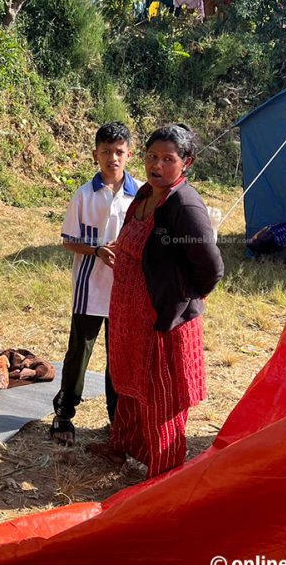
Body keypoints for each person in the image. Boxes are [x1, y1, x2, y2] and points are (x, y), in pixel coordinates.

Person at [88, 124, 223, 478]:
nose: (156, 165)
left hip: (161, 320)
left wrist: (182, 301)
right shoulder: (146, 194)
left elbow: (211, 268)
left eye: (168, 159)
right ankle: (122, 448)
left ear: (186, 163)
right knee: (130, 386)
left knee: (161, 398)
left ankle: (163, 474)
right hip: (131, 316)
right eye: (151, 157)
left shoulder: (184, 204)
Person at [50, 122, 139, 447]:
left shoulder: (140, 195)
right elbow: (68, 241)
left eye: (119, 152)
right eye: (106, 152)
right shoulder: (85, 195)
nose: (112, 158)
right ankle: (64, 414)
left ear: (130, 154)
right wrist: (96, 251)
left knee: (119, 358)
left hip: (125, 293)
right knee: (79, 354)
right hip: (89, 290)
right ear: (95, 155)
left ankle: (117, 421)